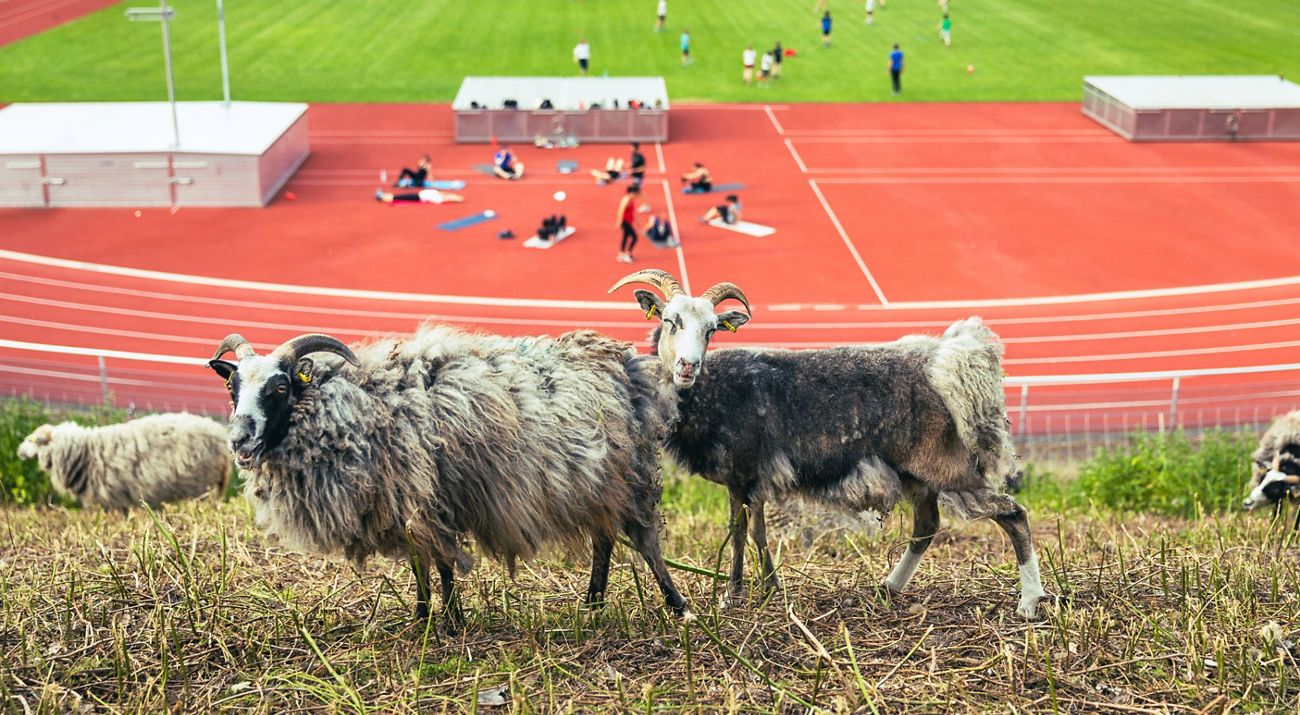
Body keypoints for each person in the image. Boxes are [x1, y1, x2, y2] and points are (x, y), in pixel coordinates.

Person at [615, 185, 646, 263]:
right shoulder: (626, 200)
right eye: (636, 194)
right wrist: (619, 221)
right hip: (625, 222)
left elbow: (632, 213)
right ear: (632, 193)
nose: (637, 196)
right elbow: (621, 210)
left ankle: (621, 254)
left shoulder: (631, 200)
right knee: (635, 237)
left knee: (625, 237)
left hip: (628, 221)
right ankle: (627, 254)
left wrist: (638, 223)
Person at [374, 187, 464, 204]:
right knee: (398, 196)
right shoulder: (439, 195)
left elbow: (450, 198)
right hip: (418, 195)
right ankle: (383, 195)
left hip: (417, 197)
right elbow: (446, 194)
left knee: (397, 197)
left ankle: (381, 197)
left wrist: (458, 198)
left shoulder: (439, 199)